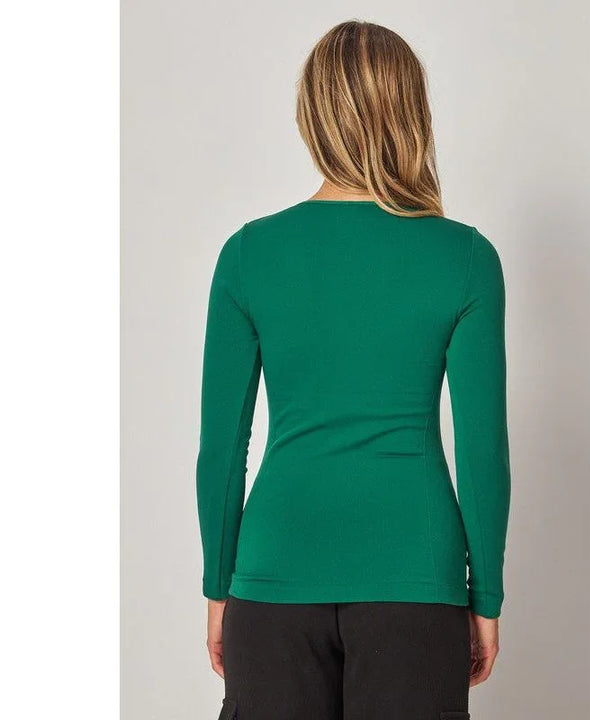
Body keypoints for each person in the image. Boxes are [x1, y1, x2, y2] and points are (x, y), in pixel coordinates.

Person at [196, 20, 511, 720]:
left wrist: (219, 586)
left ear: (312, 115)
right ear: (411, 113)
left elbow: (221, 449)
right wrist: (485, 598)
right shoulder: (465, 258)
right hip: (415, 582)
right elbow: (483, 453)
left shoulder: (248, 255)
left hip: (274, 574)